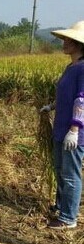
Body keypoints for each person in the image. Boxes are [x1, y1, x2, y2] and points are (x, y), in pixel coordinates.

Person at [41, 21, 84, 230]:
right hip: (61, 128)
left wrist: (75, 129)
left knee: (70, 174)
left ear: (78, 44)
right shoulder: (71, 66)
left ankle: (68, 218)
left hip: (73, 132)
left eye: (68, 39)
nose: (64, 42)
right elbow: (66, 97)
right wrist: (51, 106)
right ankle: (61, 205)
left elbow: (81, 100)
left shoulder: (83, 68)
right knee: (59, 170)